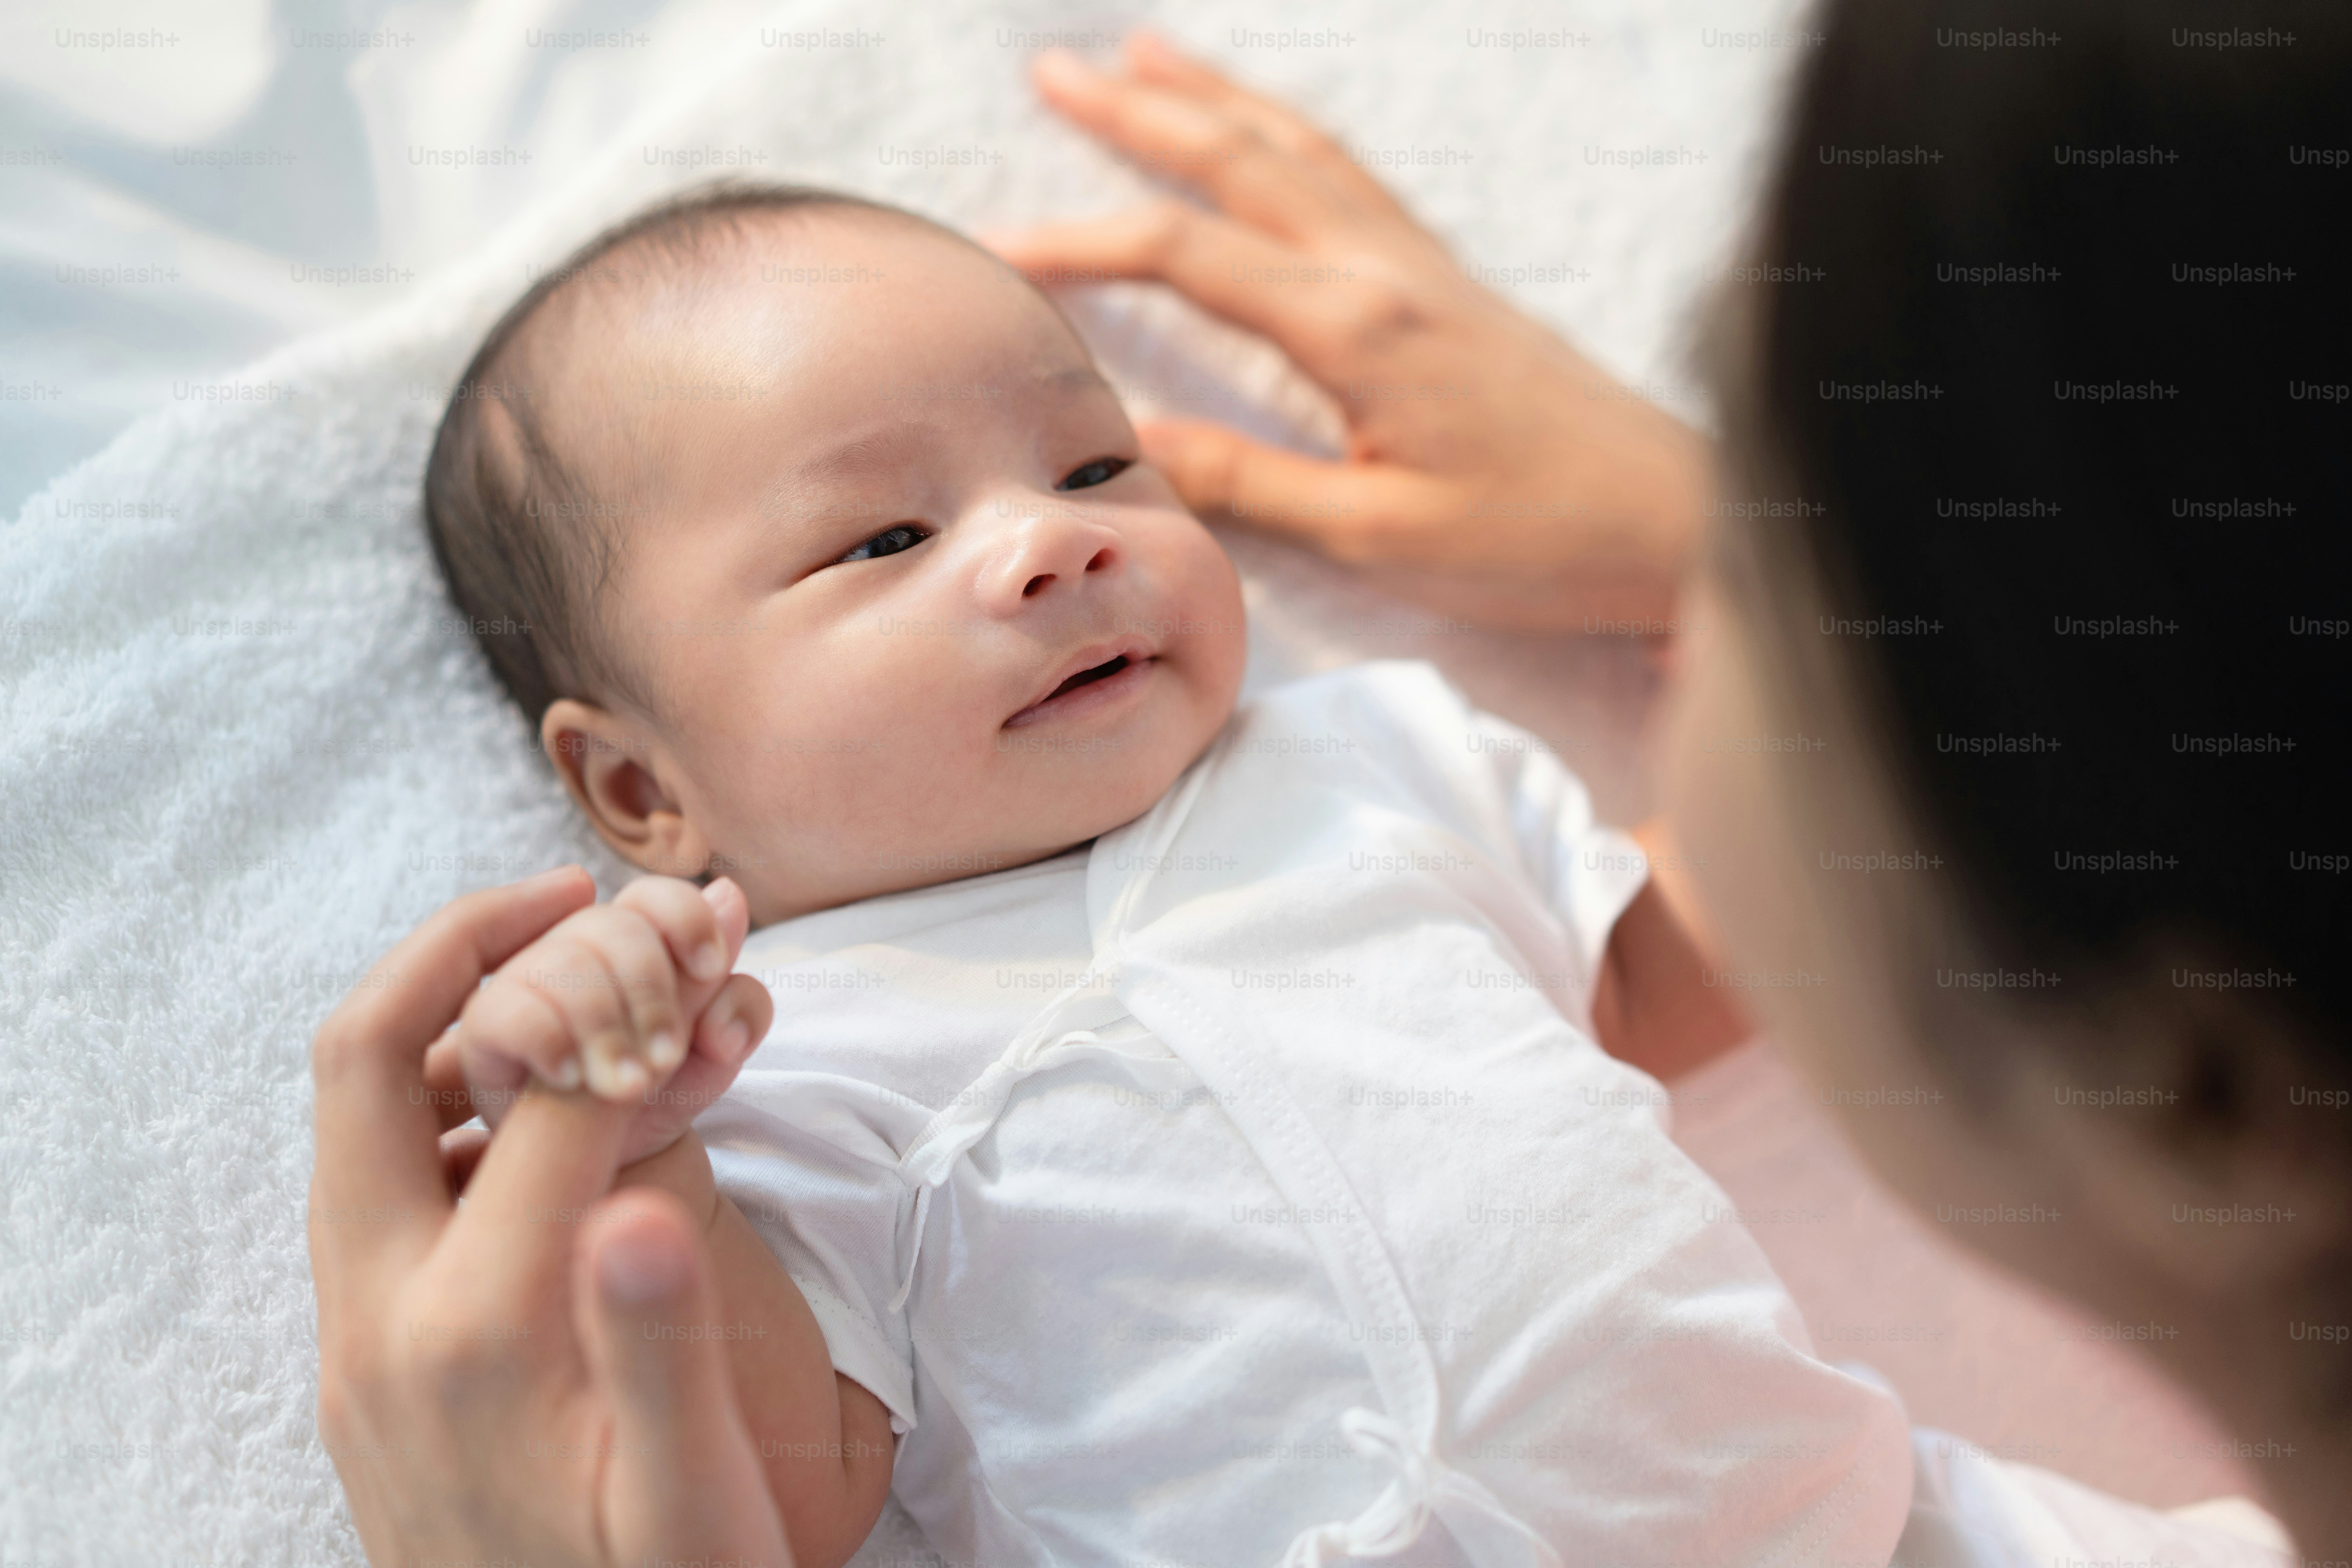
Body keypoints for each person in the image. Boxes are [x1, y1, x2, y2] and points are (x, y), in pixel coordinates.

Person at [308, 5, 2351, 1564]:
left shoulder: (1377, 766)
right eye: (880, 544)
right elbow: (790, 1485)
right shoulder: (786, 1068)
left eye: (1099, 465)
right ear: (642, 791)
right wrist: (641, 1142)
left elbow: (1730, 943)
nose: (1052, 542)